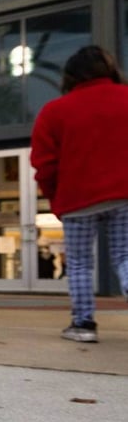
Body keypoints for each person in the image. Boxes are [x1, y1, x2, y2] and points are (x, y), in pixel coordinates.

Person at [30, 45, 128, 343]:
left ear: (70, 76)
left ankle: (83, 324)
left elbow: (45, 164)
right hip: (125, 194)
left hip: (77, 200)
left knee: (80, 263)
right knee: (125, 255)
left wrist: (55, 198)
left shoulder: (54, 111)